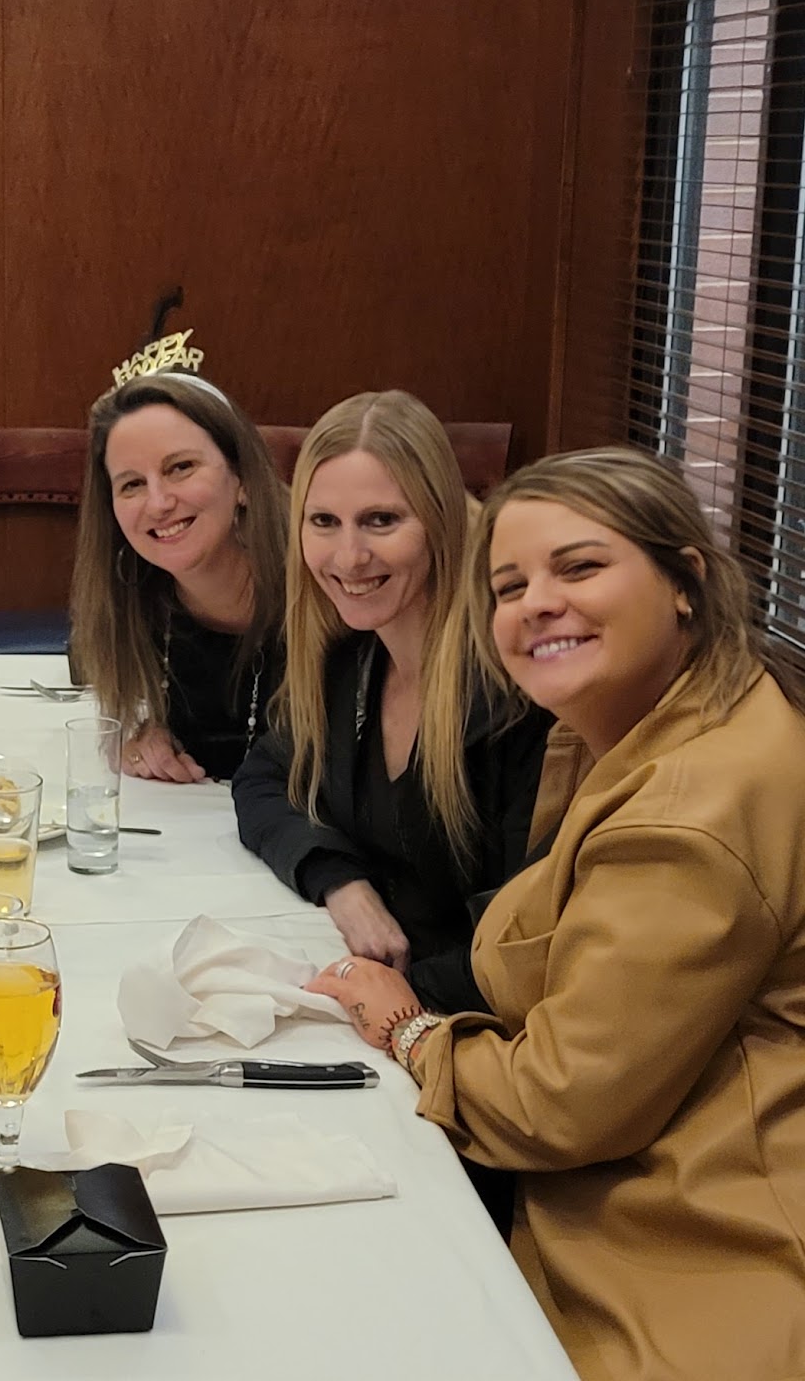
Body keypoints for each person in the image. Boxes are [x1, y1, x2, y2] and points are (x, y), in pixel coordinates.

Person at [308, 448, 805, 1379]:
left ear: (685, 581)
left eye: (578, 567)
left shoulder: (689, 814)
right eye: (510, 585)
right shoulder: (647, 719)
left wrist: (407, 1028)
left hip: (694, 1246)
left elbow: (561, 1103)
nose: (537, 602)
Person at [233, 390, 550, 1016]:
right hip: (385, 1002)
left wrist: (396, 1001)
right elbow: (263, 777)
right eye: (324, 522)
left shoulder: (518, 694)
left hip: (468, 1027)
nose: (349, 557)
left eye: (381, 521)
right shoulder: (352, 657)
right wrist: (340, 881)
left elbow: (527, 939)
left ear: (439, 522)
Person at [69, 358, 288, 782]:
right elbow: (92, 666)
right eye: (132, 484)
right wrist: (138, 735)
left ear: (242, 476)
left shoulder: (326, 585)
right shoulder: (134, 592)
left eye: (181, 468)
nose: (158, 503)